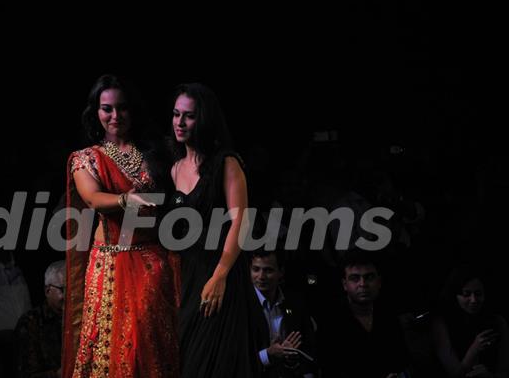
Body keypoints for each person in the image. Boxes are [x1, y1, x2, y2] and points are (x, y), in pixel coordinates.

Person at [62, 74, 180, 378]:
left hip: (153, 261)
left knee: (152, 342)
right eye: (107, 109)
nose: (116, 116)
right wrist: (127, 200)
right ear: (96, 112)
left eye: (122, 108)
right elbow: (92, 199)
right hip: (111, 262)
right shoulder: (87, 157)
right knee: (111, 346)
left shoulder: (159, 151)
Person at [167, 82, 264, 377]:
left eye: (189, 116)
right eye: (176, 114)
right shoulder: (174, 169)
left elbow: (241, 222)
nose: (180, 123)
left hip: (221, 276)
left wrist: (220, 275)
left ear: (205, 119)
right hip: (188, 281)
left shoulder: (227, 163)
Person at [318, 250, 409, 378]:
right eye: (355, 278)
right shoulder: (332, 323)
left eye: (369, 277)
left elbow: (400, 361)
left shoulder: (388, 316)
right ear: (345, 284)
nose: (362, 284)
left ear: (379, 282)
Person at [432, 266, 508, 378]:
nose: (473, 300)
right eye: (466, 294)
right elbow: (454, 373)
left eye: (478, 294)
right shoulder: (442, 324)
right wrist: (474, 349)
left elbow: (505, 369)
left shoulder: (497, 321)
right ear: (456, 295)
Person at [251, 250, 317, 378]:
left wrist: (292, 360)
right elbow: (234, 358)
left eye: (268, 270)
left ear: (281, 272)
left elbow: (310, 352)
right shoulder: (241, 306)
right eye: (256, 269)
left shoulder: (296, 303)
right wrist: (268, 354)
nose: (261, 276)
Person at [16, 260, 65, 378]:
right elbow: (25, 374)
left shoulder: (81, 320)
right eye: (64, 290)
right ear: (48, 291)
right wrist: (56, 375)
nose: (71, 296)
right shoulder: (30, 322)